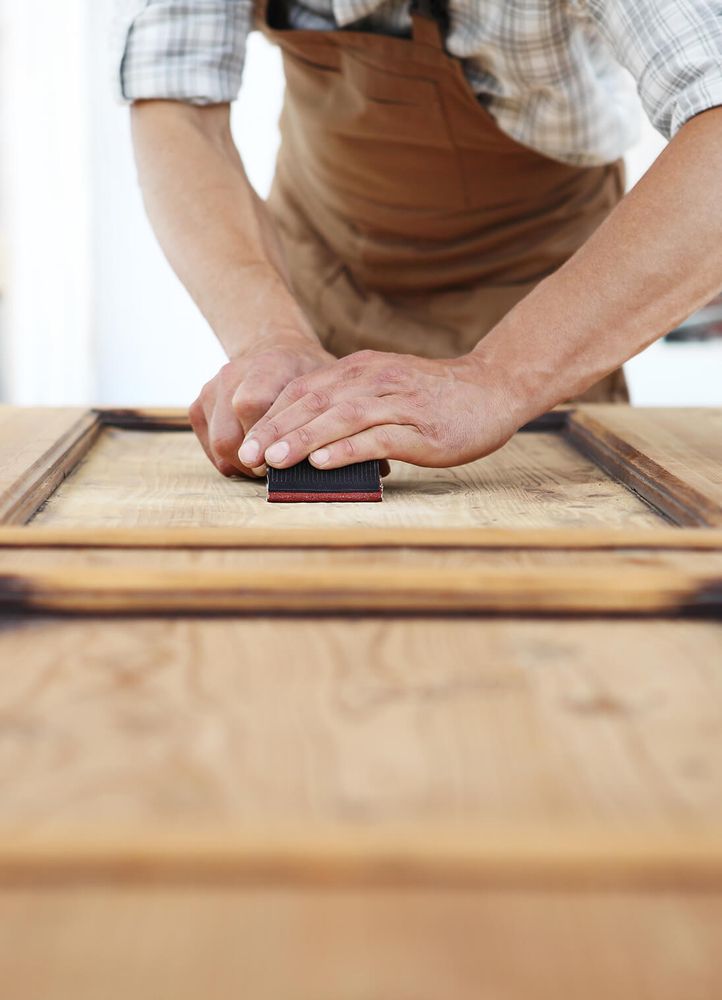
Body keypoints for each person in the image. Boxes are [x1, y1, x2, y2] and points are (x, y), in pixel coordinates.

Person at [118, 0, 722, 478]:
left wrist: (500, 377)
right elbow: (178, 98)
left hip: (539, 279)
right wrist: (267, 335)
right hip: (321, 265)